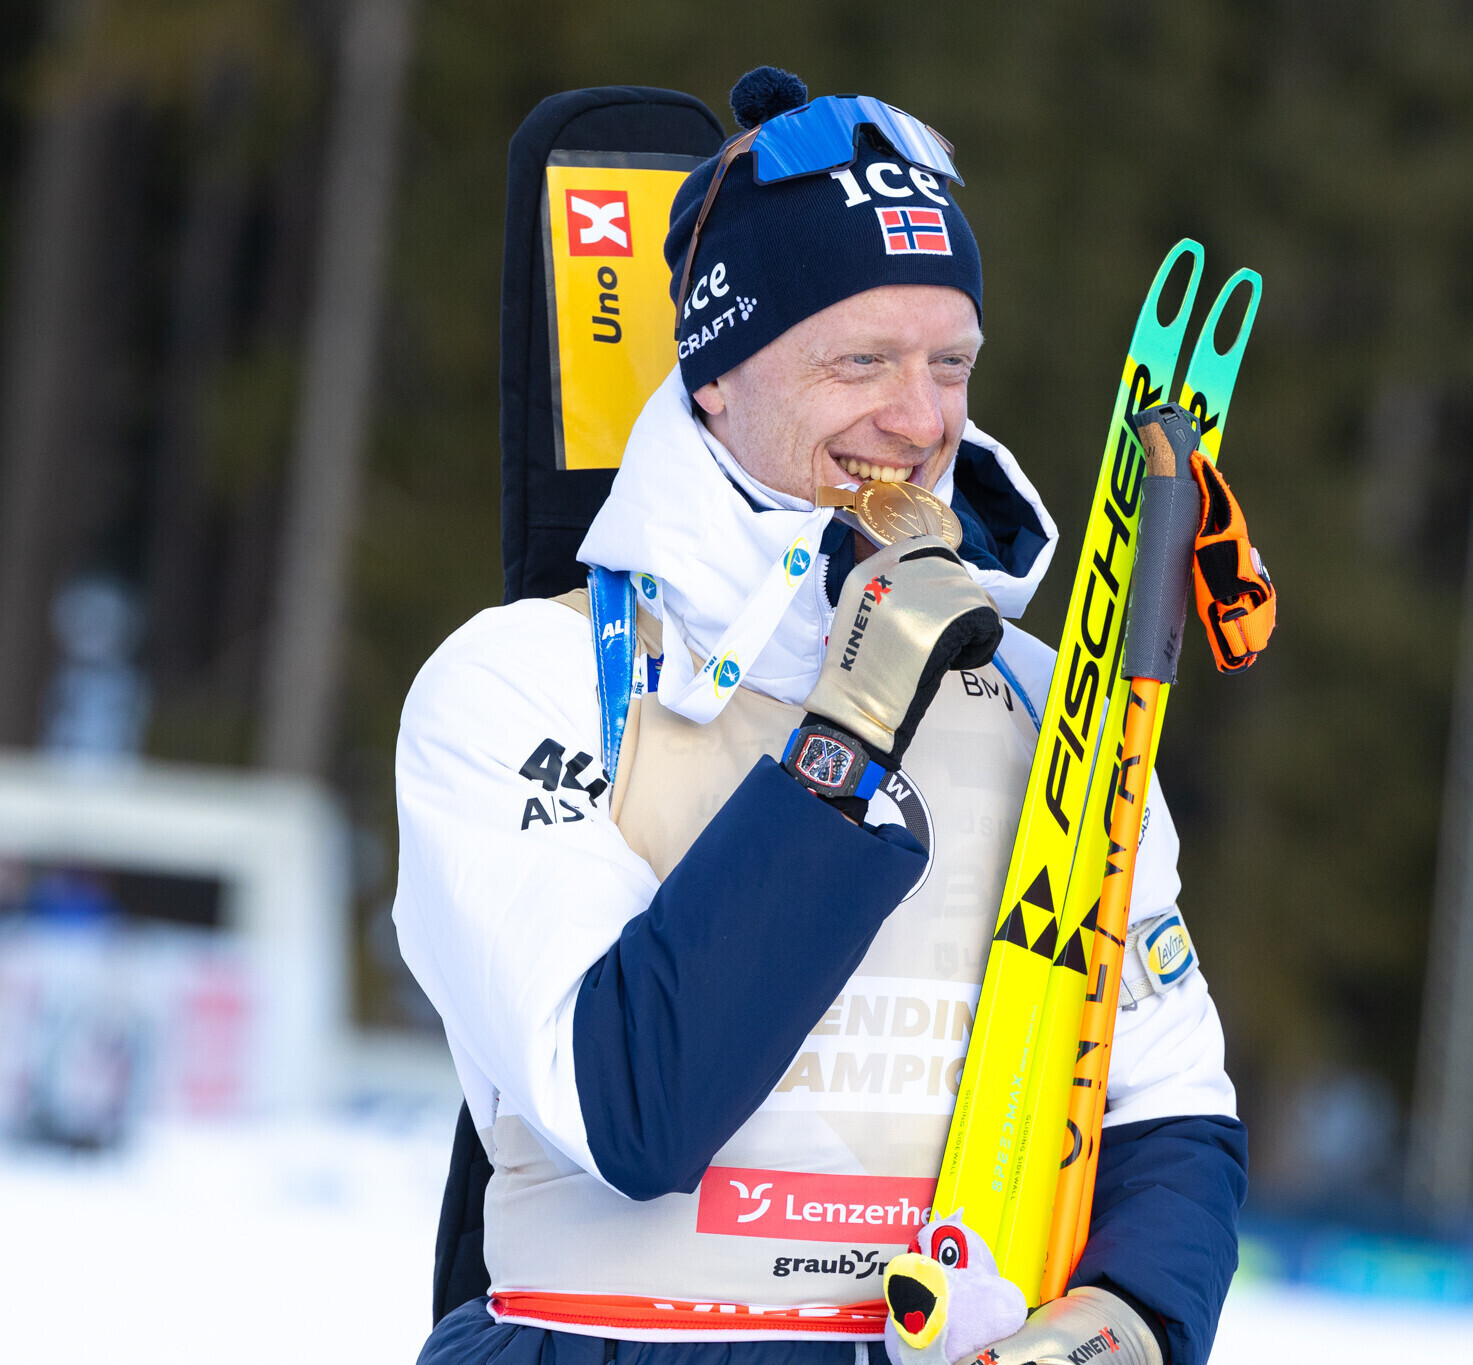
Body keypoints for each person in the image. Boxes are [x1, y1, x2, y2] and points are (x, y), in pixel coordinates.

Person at [395, 68, 1245, 1365]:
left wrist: (1122, 1320)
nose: (919, 419)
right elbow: (632, 1107)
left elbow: (1165, 1103)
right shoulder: (527, 679)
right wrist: (852, 724)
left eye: (950, 363)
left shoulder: (1044, 700)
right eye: (861, 361)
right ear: (718, 375)